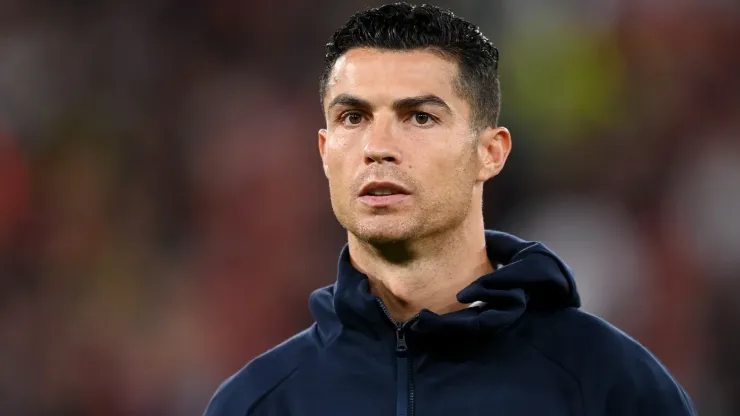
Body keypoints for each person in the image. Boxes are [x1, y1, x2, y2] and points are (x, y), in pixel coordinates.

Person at [203, 3, 696, 415]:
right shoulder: (257, 403)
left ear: (491, 152)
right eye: (353, 117)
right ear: (324, 151)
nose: (378, 146)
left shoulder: (611, 386)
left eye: (419, 117)